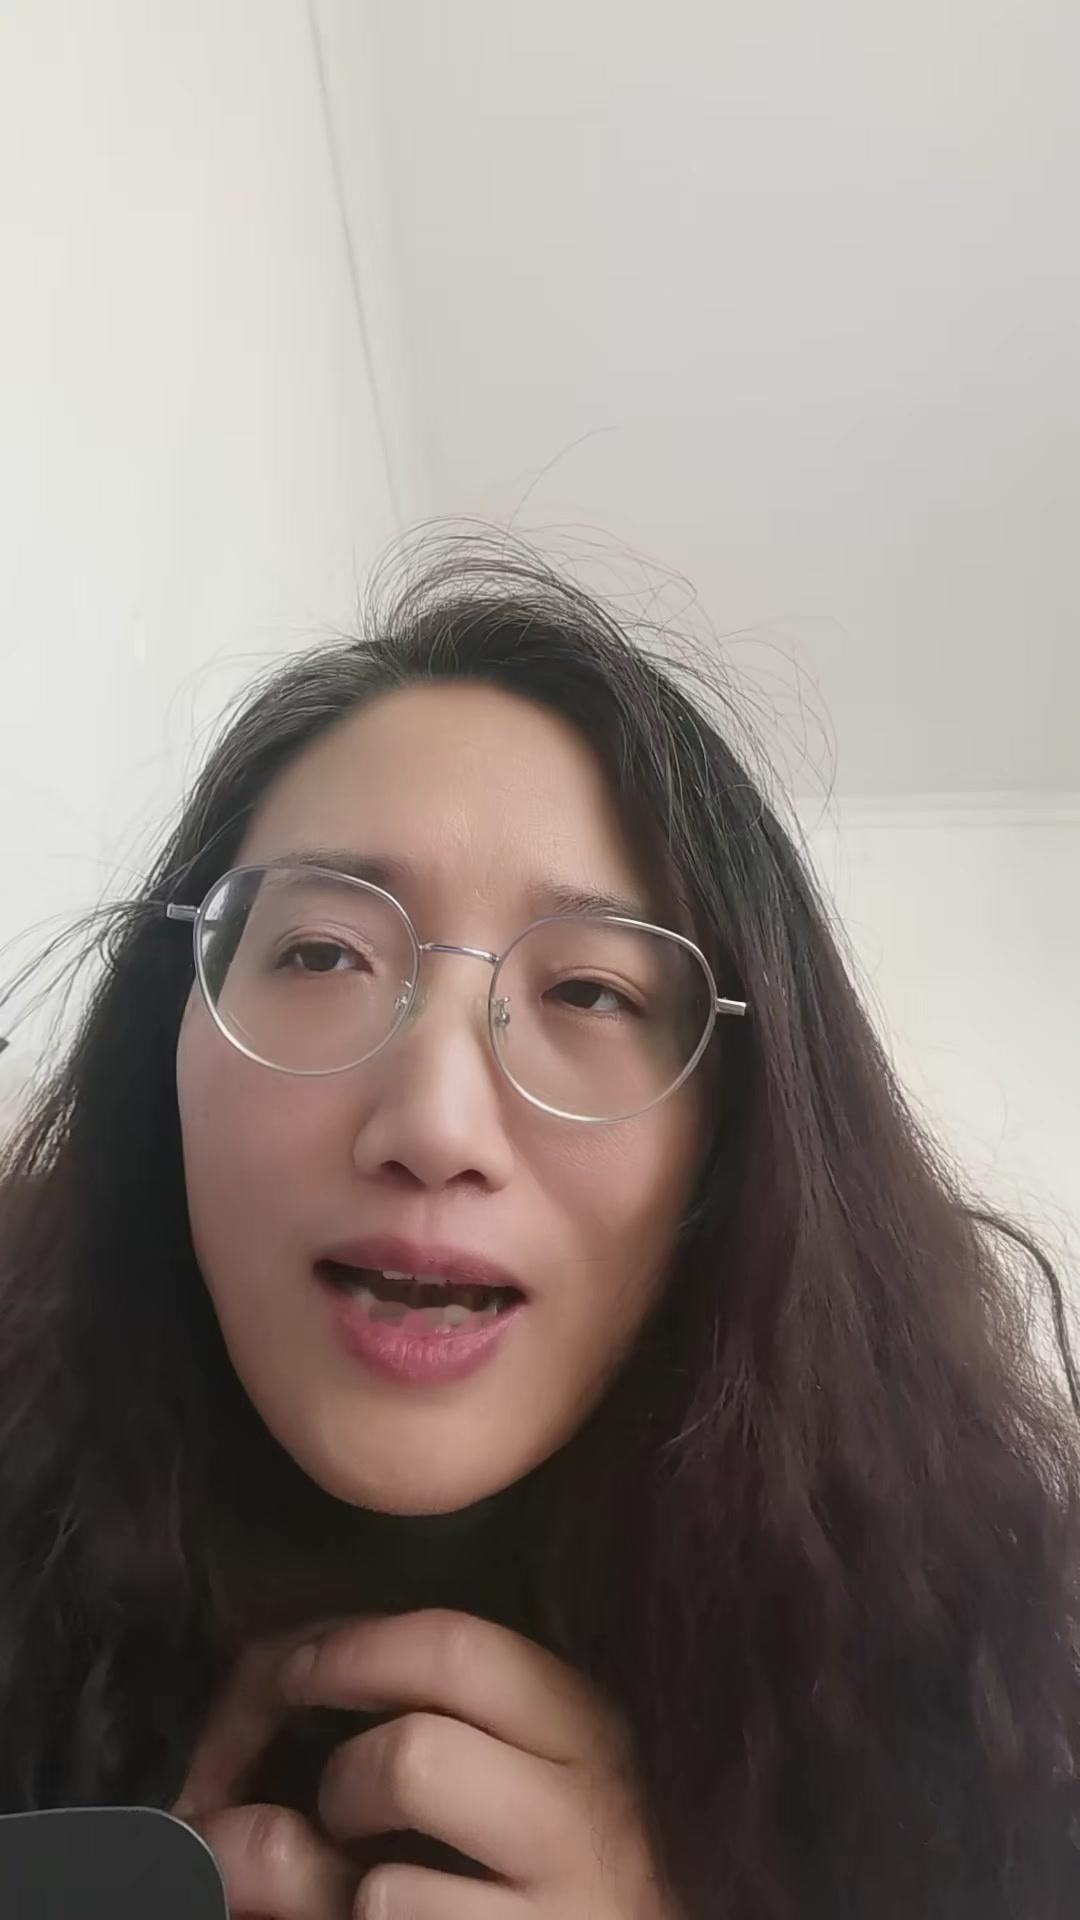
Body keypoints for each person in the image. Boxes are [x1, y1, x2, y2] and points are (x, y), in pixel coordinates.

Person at [1, 533, 1078, 1920]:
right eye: (322, 954)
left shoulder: (984, 1698)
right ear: (169, 1040)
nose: (435, 1124)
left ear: (735, 1135)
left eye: (590, 994)